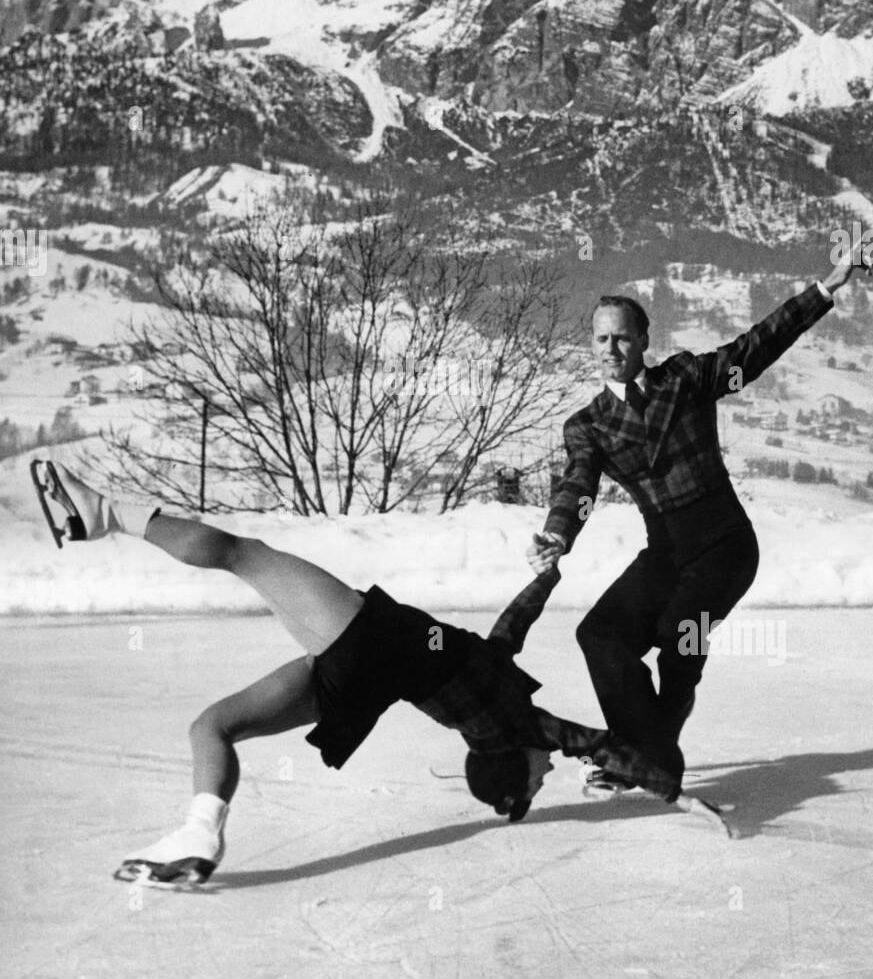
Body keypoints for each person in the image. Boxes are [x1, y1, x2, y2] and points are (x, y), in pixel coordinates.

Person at [31, 461, 685, 888]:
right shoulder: (509, 716)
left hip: (372, 642)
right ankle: (199, 833)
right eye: (542, 779)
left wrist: (655, 775)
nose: (548, 772)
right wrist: (547, 578)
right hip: (359, 679)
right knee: (213, 726)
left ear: (513, 763)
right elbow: (522, 648)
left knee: (244, 554)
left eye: (537, 780)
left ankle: (107, 515)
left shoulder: (514, 722)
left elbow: (586, 738)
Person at [529, 244, 868, 787]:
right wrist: (557, 533)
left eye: (621, 336)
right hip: (665, 551)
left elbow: (758, 346)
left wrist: (827, 287)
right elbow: (578, 484)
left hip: (726, 545)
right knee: (601, 634)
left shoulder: (684, 380)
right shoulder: (587, 425)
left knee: (678, 636)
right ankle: (644, 752)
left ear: (644, 341)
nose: (610, 348)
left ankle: (645, 756)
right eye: (600, 338)